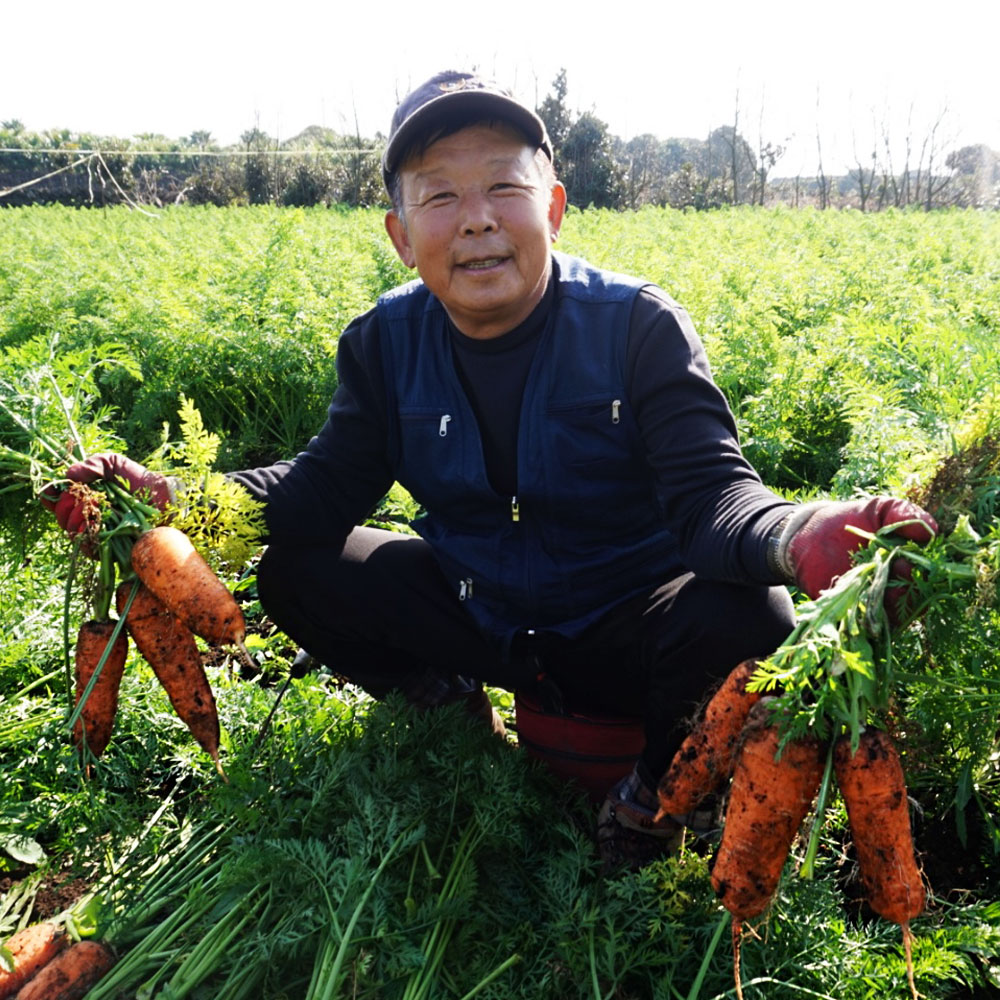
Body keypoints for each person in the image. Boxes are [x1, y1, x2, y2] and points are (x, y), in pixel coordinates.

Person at [46, 70, 937, 871]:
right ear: (401, 235)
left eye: (504, 187)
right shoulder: (384, 344)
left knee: (749, 614)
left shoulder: (637, 327)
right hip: (482, 617)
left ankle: (655, 800)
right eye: (440, 195)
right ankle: (447, 704)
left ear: (553, 208)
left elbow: (716, 499)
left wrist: (799, 534)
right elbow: (320, 491)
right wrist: (177, 501)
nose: (475, 218)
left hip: (625, 626)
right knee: (298, 567)